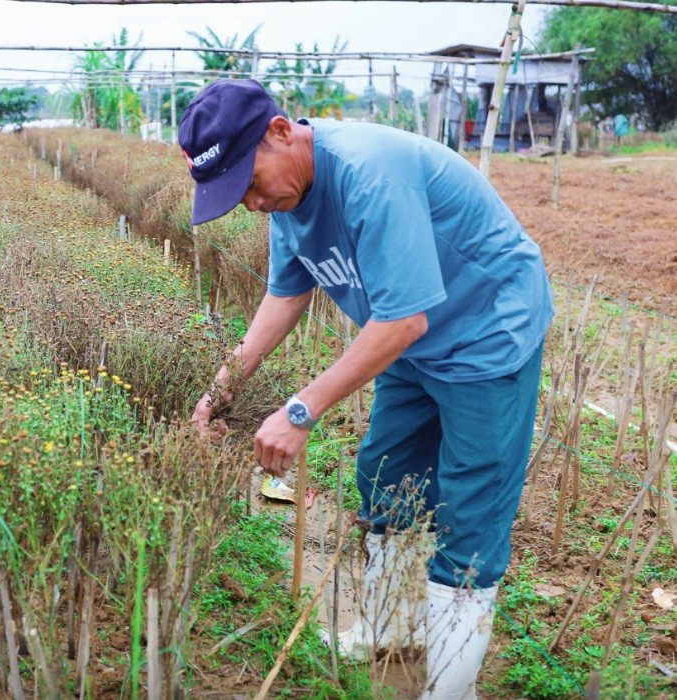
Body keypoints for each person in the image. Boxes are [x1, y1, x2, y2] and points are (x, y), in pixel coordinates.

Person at [180, 79, 553, 699]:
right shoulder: (286, 197)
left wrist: (300, 409)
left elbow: (404, 320)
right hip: (411, 332)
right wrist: (221, 388)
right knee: (386, 473)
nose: (250, 203)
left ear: (279, 132)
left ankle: (450, 689)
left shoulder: (367, 172)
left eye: (248, 182)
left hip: (486, 329)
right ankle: (388, 630)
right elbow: (286, 292)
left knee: (470, 513)